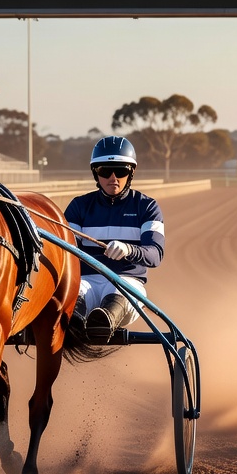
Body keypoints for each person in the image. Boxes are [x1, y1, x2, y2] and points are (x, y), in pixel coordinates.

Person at [63, 136, 165, 339]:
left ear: (131, 172)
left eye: (121, 171)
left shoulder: (147, 207)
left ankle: (104, 321)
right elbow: (66, 250)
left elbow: (155, 255)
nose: (113, 178)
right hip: (85, 281)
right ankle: (73, 323)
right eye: (104, 171)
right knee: (75, 296)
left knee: (116, 291)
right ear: (95, 173)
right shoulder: (78, 206)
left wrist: (129, 250)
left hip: (127, 282)